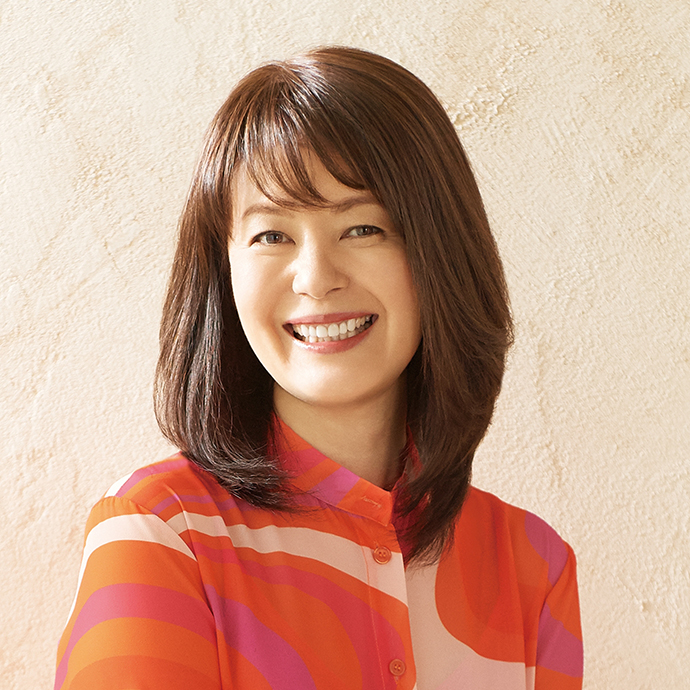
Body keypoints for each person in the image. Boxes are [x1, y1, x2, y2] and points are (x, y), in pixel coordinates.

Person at [55, 46, 583, 690]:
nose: (315, 278)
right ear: (224, 273)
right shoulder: (160, 532)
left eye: (362, 229)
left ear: (440, 250)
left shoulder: (533, 567)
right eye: (271, 235)